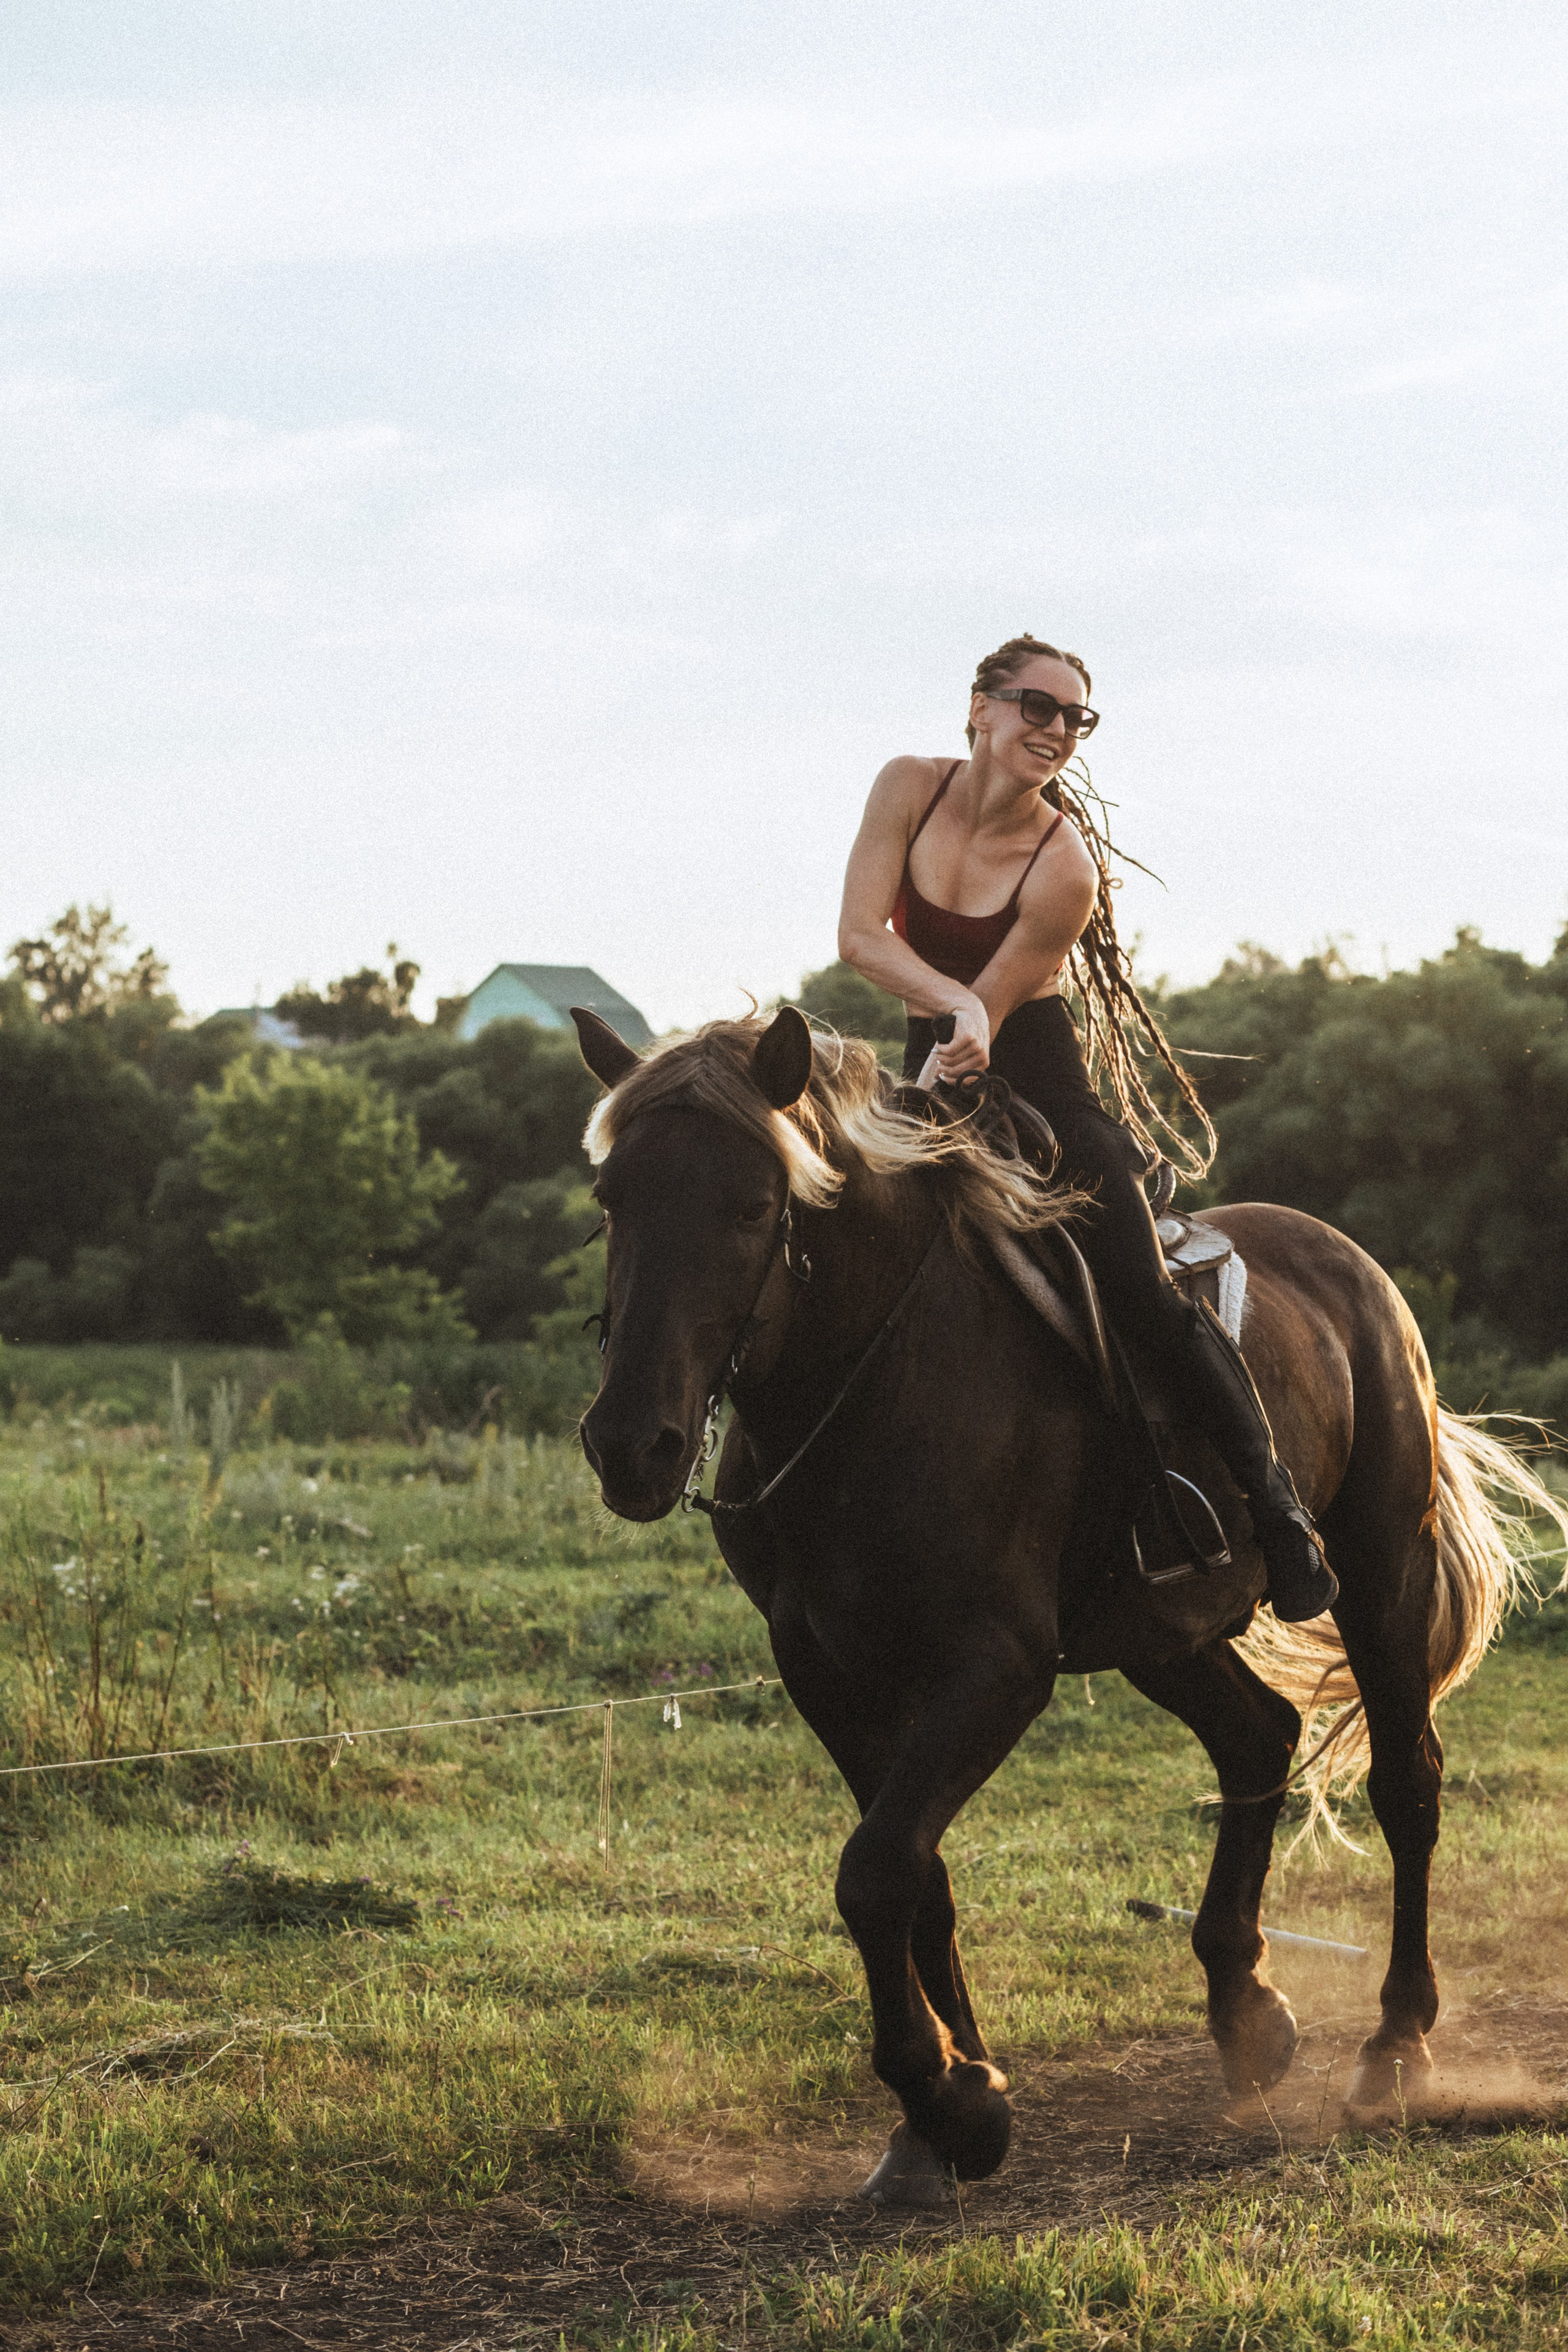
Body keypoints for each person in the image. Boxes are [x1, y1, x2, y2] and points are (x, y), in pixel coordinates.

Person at [837, 632, 1337, 1622]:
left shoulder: (1064, 866)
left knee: (1144, 1295)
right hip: (927, 1070)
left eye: (1076, 718)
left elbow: (995, 1011)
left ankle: (1277, 1514)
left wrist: (970, 1015)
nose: (1058, 730)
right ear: (979, 707)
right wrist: (953, 1010)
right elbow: (858, 936)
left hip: (1041, 1089)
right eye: (1038, 706)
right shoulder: (905, 787)